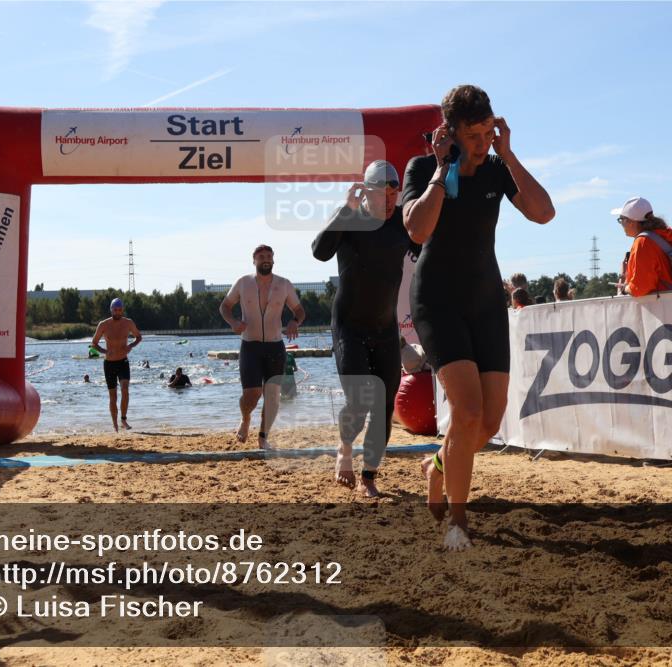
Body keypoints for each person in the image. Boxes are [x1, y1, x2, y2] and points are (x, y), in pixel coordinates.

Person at [402, 84, 554, 550]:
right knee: (466, 412)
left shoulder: (496, 168)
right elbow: (417, 230)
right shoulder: (423, 168)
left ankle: (437, 466)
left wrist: (508, 154)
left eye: (489, 132)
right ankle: (458, 521)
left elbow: (544, 213)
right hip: (437, 301)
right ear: (449, 132)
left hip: (485, 301)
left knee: (487, 423)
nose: (483, 143)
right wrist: (442, 168)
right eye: (473, 135)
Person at [312, 159, 421, 497]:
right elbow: (319, 251)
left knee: (385, 405)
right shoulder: (350, 219)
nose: (389, 201)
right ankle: (345, 448)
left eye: (393, 194)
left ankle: (369, 476)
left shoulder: (401, 222)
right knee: (358, 402)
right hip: (349, 326)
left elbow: (426, 247)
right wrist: (345, 210)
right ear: (366, 192)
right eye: (382, 194)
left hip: (385, 327)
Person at [219, 244, 306, 449]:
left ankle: (263, 437)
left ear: (273, 259)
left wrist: (295, 322)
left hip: (275, 347)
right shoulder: (243, 282)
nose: (265, 259)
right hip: (250, 346)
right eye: (261, 256)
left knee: (273, 397)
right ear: (254, 260)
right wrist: (233, 322)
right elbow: (224, 306)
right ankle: (245, 418)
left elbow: (300, 311)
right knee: (252, 394)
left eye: (269, 256)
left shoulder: (284, 284)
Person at [611, 196, 672, 297]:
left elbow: (640, 288)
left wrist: (625, 288)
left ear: (631, 221)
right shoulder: (665, 235)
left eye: (622, 219)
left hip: (661, 303)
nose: (621, 224)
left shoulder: (643, 242)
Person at [90, 297, 142, 431]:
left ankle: (123, 419)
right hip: (109, 364)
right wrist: (104, 351)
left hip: (123, 361)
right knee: (113, 396)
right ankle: (115, 424)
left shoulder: (128, 323)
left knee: (125, 389)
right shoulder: (103, 325)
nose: (117, 312)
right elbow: (94, 343)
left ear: (122, 310)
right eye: (115, 310)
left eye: (119, 310)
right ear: (111, 310)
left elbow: (139, 337)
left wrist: (130, 346)